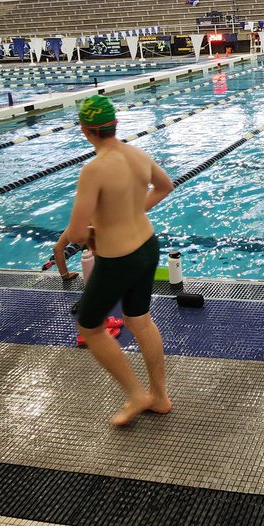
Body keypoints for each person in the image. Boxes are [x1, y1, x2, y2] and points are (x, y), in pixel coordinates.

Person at [52, 94, 175, 426]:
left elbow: (77, 234)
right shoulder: (136, 153)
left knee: (90, 327)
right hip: (148, 247)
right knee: (140, 321)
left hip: (118, 259)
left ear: (85, 130)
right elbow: (165, 186)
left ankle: (137, 394)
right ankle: (160, 396)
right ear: (114, 125)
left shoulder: (94, 170)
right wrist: (135, 211)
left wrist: (93, 231)